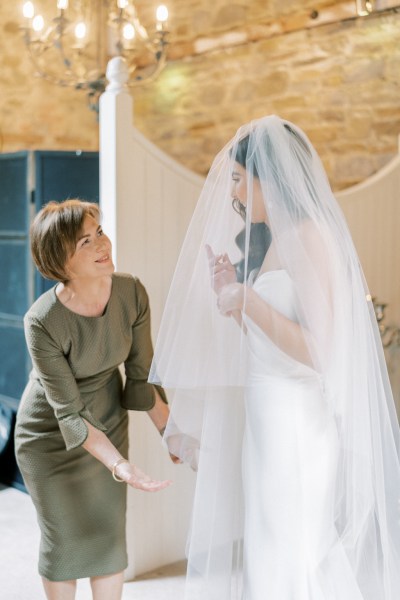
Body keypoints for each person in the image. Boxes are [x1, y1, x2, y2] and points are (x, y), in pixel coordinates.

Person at [149, 116, 400, 599]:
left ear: (270, 177)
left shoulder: (308, 237)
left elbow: (319, 352)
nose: (234, 194)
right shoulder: (283, 238)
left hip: (297, 435)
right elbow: (274, 341)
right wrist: (233, 298)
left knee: (294, 556)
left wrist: (251, 301)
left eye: (240, 179)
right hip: (272, 431)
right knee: (272, 553)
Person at [15, 199, 175, 600]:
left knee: (107, 538)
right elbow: (68, 412)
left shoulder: (131, 292)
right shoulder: (41, 320)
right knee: (64, 540)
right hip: (50, 434)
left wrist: (174, 435)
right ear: (60, 261)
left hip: (107, 420)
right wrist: (120, 466)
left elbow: (141, 379)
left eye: (99, 232)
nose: (102, 245)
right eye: (85, 242)